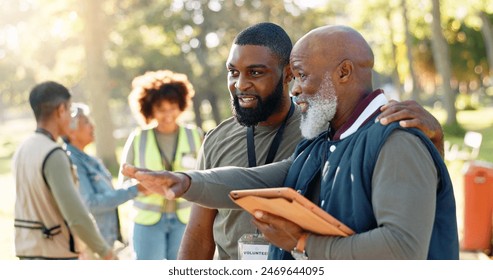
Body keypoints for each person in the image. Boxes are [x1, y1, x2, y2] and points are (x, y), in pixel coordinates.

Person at [177, 22, 448, 260]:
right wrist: (181, 181)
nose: (294, 89)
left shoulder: (395, 138)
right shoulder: (323, 142)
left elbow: (402, 249)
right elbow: (255, 181)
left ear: (343, 72)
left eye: (302, 76)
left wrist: (302, 243)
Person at [12, 81, 114, 260]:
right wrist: (105, 251)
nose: (71, 118)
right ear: (60, 110)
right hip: (54, 254)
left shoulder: (23, 148)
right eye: (69, 110)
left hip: (27, 250)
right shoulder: (54, 154)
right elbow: (76, 214)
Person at [118, 70, 203, 260]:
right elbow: (123, 182)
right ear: (149, 109)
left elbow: (206, 175)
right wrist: (140, 187)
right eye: (161, 109)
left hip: (185, 221)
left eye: (172, 107)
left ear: (180, 105)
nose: (167, 114)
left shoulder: (195, 135)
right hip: (148, 223)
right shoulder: (138, 138)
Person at [62, 102, 147, 254]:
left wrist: (136, 182)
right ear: (71, 131)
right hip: (92, 246)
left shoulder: (90, 159)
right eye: (86, 122)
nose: (93, 126)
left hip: (107, 239)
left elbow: (108, 194)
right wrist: (135, 189)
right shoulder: (72, 161)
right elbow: (91, 203)